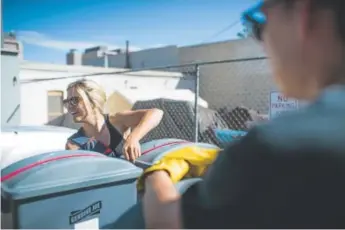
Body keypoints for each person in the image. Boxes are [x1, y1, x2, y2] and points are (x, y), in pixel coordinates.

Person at [141, 0, 345, 228]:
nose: (262, 43)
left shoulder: (276, 147)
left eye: (260, 25)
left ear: (303, 15)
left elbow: (166, 221)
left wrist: (159, 172)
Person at [64, 79, 164, 161]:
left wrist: (133, 138)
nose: (69, 106)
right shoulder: (73, 144)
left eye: (74, 100)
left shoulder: (116, 121)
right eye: (67, 102)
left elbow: (156, 113)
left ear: (92, 100)